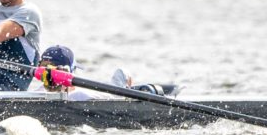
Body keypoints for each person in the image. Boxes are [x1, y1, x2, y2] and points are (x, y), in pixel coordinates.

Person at [34, 45, 169, 99]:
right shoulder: (39, 92)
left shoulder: (81, 96)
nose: (45, 76)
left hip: (116, 92)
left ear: (67, 72)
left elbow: (117, 99)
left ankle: (132, 90)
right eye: (43, 68)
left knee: (121, 73)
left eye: (49, 68)